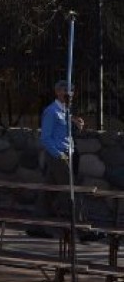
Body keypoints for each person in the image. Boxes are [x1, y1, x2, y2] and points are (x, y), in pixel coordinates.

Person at [37, 80, 101, 241]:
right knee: (73, 191)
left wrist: (75, 124)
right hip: (59, 156)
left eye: (72, 90)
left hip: (67, 153)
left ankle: (36, 226)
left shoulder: (65, 111)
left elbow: (63, 132)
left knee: (49, 192)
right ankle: (83, 229)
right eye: (67, 91)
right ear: (58, 92)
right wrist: (59, 155)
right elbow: (45, 137)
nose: (70, 94)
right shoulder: (51, 111)